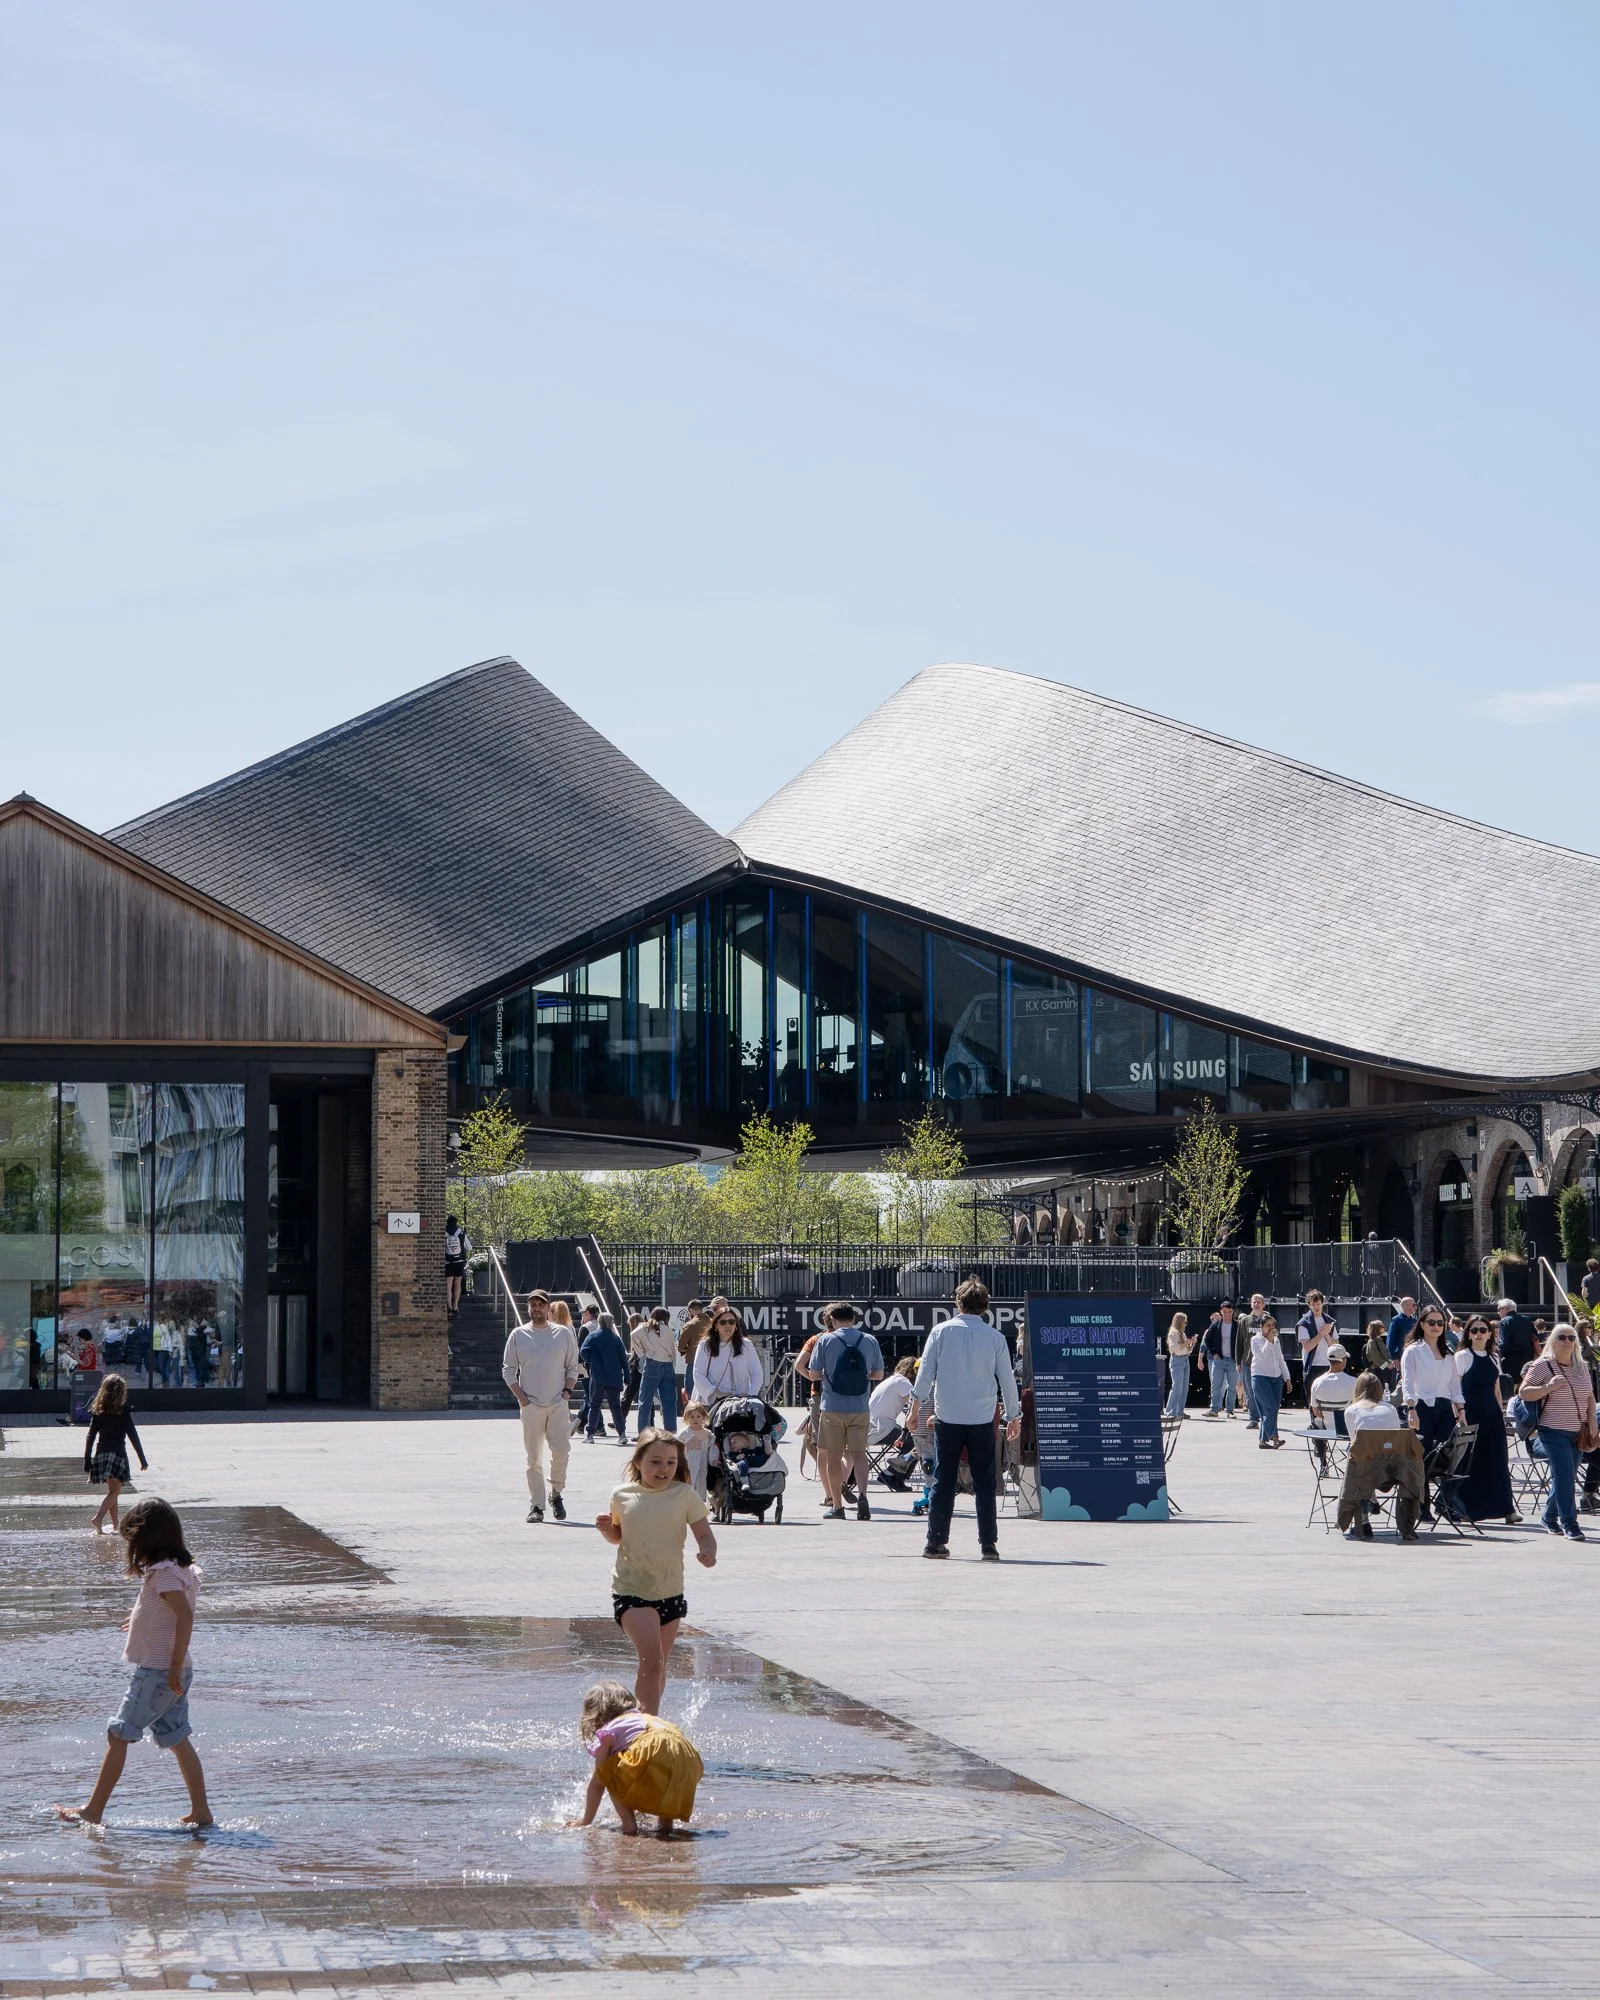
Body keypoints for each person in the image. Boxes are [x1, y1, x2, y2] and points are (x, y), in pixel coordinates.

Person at [54, 1498, 212, 1828]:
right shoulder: (178, 1568)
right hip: (176, 1672)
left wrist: (171, 1666)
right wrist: (139, 1618)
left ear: (147, 1539)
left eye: (134, 1542)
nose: (133, 1551)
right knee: (177, 1738)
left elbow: (184, 1616)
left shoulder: (162, 1574)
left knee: (119, 1734)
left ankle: (93, 1810)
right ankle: (201, 1811)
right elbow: (166, 1609)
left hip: (159, 1673)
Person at [595, 1428, 717, 1713]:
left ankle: (647, 1719)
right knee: (652, 1661)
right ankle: (644, 1728)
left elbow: (704, 1534)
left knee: (659, 1666)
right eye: (655, 1461)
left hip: (670, 1590)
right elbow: (619, 1537)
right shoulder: (622, 1495)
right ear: (638, 1462)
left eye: (671, 1462)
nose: (663, 1469)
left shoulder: (685, 1495)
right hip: (631, 1589)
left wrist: (708, 1551)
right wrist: (607, 1530)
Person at [912, 1277, 1021, 1561]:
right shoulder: (995, 1338)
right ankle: (988, 1544)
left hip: (947, 1416)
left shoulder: (940, 1332)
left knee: (942, 1479)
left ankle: (935, 1542)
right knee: (985, 1482)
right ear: (986, 1307)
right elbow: (1007, 1381)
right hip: (983, 1417)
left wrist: (913, 1409)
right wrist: (1013, 1416)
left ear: (957, 1303)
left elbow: (925, 1376)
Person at [570, 1680, 703, 1838]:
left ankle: (628, 1824)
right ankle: (666, 1825)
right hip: (687, 1758)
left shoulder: (609, 1730)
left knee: (608, 1772)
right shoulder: (649, 1719)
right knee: (667, 1778)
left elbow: (598, 1784)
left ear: (596, 1715)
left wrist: (586, 1820)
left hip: (655, 1746)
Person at [799, 1302, 884, 1522]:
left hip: (832, 1407)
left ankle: (837, 1505)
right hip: (860, 1407)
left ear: (833, 1320)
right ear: (854, 1319)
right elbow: (878, 1374)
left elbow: (815, 1374)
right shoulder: (869, 1340)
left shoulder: (825, 1340)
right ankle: (863, 1495)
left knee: (833, 1457)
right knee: (859, 1454)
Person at [502, 1290, 582, 1524]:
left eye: (541, 1304)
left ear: (549, 1309)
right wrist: (522, 1397)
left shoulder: (563, 1334)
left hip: (558, 1403)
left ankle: (556, 1493)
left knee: (561, 1452)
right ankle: (536, 1504)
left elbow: (572, 1367)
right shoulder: (519, 1334)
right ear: (529, 1308)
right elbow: (508, 1369)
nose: (536, 1307)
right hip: (531, 1405)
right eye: (533, 1304)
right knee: (533, 1457)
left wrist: (567, 1393)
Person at [1520, 1327, 1598, 1540]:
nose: (1567, 1341)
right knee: (1564, 1478)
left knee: (1567, 1477)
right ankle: (1570, 1524)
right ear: (1553, 1341)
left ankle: (1549, 1516)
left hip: (1578, 1432)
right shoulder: (1542, 1365)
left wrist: (1592, 1420)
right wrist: (1548, 1386)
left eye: (1571, 1338)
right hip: (1551, 1431)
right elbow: (1523, 1393)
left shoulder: (1581, 1366)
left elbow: (1589, 1396)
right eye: (1561, 1337)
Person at [1401, 1308, 1465, 1515]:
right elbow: (1408, 1383)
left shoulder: (1449, 1352)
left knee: (1454, 1455)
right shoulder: (1413, 1351)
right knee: (1422, 1457)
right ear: (1422, 1324)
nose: (1436, 1326)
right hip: (1421, 1406)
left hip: (1445, 1406)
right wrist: (1411, 1408)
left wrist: (1460, 1408)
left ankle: (1444, 1501)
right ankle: (1422, 1504)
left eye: (1440, 1323)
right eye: (1431, 1322)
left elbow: (1455, 1386)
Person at [1454, 1316, 1517, 1525]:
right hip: (1470, 1414)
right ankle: (1463, 1507)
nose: (1478, 1334)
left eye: (1483, 1330)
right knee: (1470, 1462)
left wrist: (1500, 1413)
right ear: (1468, 1334)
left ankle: (1507, 1509)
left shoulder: (1493, 1357)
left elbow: (1496, 1388)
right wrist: (1459, 1414)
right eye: (1474, 1330)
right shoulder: (1462, 1356)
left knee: (1498, 1461)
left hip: (1492, 1416)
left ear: (1490, 1333)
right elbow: (1455, 1388)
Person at [84, 1374, 148, 1534]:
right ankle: (98, 1518)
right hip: (117, 1454)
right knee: (116, 1491)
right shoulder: (123, 1412)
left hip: (102, 1454)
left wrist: (87, 1459)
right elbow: (134, 1436)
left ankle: (115, 1525)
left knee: (113, 1491)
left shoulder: (98, 1412)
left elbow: (90, 1437)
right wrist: (142, 1459)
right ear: (121, 1393)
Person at [692, 1307, 764, 1409]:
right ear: (716, 1325)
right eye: (723, 1322)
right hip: (713, 1404)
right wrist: (716, 1393)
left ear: (736, 1326)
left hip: (741, 1404)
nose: (728, 1325)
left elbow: (757, 1373)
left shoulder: (746, 1345)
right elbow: (698, 1374)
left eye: (732, 1322)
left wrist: (750, 1395)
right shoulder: (705, 1345)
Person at [580, 1312, 629, 1443]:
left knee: (594, 1405)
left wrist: (590, 1361)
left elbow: (583, 1351)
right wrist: (627, 1377)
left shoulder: (593, 1336)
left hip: (598, 1376)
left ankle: (590, 1435)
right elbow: (624, 1359)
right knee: (615, 1406)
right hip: (614, 1376)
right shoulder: (615, 1338)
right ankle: (622, 1434)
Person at [631, 1307, 680, 1436]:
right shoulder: (667, 1330)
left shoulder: (645, 1327)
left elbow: (633, 1334)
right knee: (669, 1401)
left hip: (652, 1364)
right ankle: (671, 1430)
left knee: (645, 1400)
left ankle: (643, 1432)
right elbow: (672, 1350)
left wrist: (642, 1352)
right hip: (667, 1364)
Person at [1250, 1314, 1291, 1448]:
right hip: (1260, 1376)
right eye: (1268, 1326)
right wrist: (1269, 1340)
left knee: (1272, 1410)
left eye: (1273, 1325)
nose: (1271, 1328)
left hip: (1276, 1377)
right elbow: (1261, 1356)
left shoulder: (1276, 1340)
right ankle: (1275, 1438)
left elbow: (1280, 1359)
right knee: (1269, 1408)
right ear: (1261, 1327)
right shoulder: (1255, 1340)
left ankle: (1263, 1440)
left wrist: (1287, 1378)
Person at [1200, 1301, 1240, 1419]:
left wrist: (1239, 1357)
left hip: (1233, 1360)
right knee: (1216, 1385)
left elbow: (1242, 1342)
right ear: (1221, 1312)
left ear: (1233, 1312)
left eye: (1229, 1312)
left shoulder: (1237, 1325)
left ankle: (1230, 1410)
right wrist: (1213, 1352)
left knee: (1232, 1386)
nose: (1227, 1315)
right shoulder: (1216, 1325)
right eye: (1225, 1312)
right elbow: (1207, 1339)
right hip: (1219, 1360)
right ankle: (1214, 1409)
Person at [1297, 1291, 1337, 1406]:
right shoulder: (1304, 1323)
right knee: (1314, 1402)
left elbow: (1335, 1346)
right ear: (1309, 1305)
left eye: (1318, 1304)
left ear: (1322, 1304)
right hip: (1312, 1367)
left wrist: (1326, 1334)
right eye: (1313, 1304)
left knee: (1329, 1401)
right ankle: (1314, 1423)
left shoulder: (1329, 1321)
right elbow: (1308, 1347)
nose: (1316, 1307)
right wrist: (1321, 1334)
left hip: (1328, 1365)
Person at [1308, 1344, 1356, 1439]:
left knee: (1315, 1422)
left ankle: (1320, 1452)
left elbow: (1316, 1412)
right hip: (1348, 1429)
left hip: (1326, 1429)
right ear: (1343, 1361)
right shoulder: (1354, 1382)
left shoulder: (1317, 1382)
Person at [1496, 1297, 1538, 1394]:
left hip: (1511, 1359)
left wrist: (1498, 1356)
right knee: (1523, 1386)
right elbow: (1535, 1338)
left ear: (1506, 1308)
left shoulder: (1504, 1321)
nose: (1498, 1312)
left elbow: (1503, 1343)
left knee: (1510, 1387)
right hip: (1528, 1357)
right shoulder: (1527, 1319)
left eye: (1499, 1309)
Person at [1164, 1311, 1195, 1419]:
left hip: (1185, 1359)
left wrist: (1192, 1344)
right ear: (1180, 1322)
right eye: (1184, 1322)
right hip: (1177, 1361)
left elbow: (1187, 1350)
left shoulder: (1182, 1334)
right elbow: (1175, 1349)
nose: (1186, 1324)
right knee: (1177, 1387)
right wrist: (1187, 1343)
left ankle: (1179, 1411)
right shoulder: (1173, 1333)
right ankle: (1170, 1412)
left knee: (1184, 1388)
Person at [679, 1401, 713, 1495]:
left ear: (703, 1417)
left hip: (702, 1463)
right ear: (686, 1417)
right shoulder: (684, 1433)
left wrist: (714, 1459)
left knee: (700, 1482)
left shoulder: (707, 1434)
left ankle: (698, 1504)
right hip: (688, 1462)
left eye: (698, 1416)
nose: (695, 1419)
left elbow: (712, 1448)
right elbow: (676, 1446)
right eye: (692, 1417)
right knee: (688, 1482)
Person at [443, 1214, 472, 1316]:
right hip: (459, 1262)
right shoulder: (461, 1233)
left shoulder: (444, 1233)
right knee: (457, 1283)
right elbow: (469, 1248)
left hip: (448, 1262)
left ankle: (449, 1307)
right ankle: (455, 1305)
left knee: (448, 1285)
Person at [1362, 1319, 1396, 1392]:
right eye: (1381, 1327)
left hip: (1383, 1369)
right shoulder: (1372, 1341)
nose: (1384, 1328)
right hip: (1377, 1370)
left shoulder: (1379, 1339)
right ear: (1376, 1329)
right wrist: (1386, 1365)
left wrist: (1390, 1362)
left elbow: (1385, 1354)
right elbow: (1375, 1357)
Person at [1386, 1296, 1418, 1362]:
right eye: (1414, 1305)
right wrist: (1394, 1357)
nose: (1416, 1307)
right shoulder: (1396, 1320)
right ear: (1406, 1306)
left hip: (1413, 1354)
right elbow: (1391, 1340)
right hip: (1402, 1356)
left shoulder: (1414, 1320)